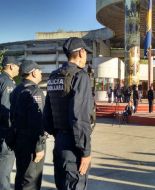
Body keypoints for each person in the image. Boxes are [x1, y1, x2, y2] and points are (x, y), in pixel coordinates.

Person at [43, 37, 94, 190]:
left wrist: (59, 135)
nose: (86, 56)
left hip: (59, 142)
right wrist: (85, 151)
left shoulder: (53, 76)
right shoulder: (80, 76)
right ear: (81, 52)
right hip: (74, 146)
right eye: (85, 53)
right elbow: (79, 116)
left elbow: (47, 115)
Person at [10, 60, 46, 190]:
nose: (41, 72)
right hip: (31, 143)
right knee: (31, 181)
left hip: (19, 140)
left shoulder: (17, 89)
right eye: (39, 69)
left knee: (21, 177)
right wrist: (39, 147)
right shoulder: (34, 91)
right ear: (33, 73)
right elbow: (37, 121)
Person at [0, 56, 20, 190]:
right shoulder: (8, 83)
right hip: (5, 134)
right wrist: (12, 134)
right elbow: (7, 110)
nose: (19, 69)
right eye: (17, 66)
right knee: (3, 173)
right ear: (11, 66)